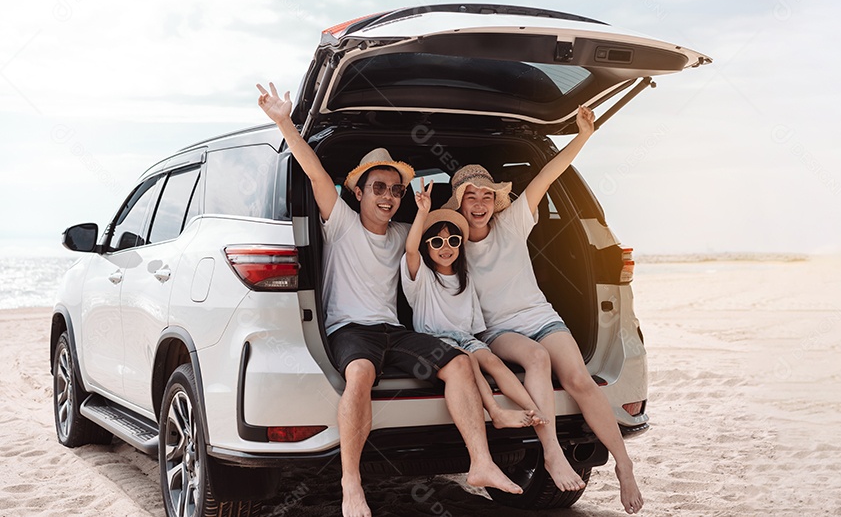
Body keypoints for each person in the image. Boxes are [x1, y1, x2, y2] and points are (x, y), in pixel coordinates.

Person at [256, 82, 521, 517]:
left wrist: (461, 209)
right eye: (379, 188)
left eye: (395, 190)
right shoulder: (340, 223)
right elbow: (317, 174)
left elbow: (446, 233)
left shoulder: (402, 233)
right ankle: (351, 483)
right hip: (350, 330)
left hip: (395, 333)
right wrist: (285, 122)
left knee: (458, 362)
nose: (388, 196)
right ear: (358, 192)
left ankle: (481, 463)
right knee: (359, 373)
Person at [445, 105, 644, 514]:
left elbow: (547, 175)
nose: (479, 203)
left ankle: (624, 464)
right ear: (459, 203)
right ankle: (551, 451)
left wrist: (583, 135)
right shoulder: (449, 238)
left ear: (496, 200)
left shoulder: (514, 221)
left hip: (542, 316)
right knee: (536, 359)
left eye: (487, 195)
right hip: (499, 331)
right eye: (470, 197)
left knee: (580, 380)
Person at [401, 180, 546, 429]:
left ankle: (536, 411)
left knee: (493, 363)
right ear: (427, 246)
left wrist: (485, 348)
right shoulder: (421, 277)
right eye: (437, 242)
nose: (446, 248)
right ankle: (496, 411)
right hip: (435, 340)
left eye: (453, 241)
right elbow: (411, 250)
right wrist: (422, 213)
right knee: (467, 360)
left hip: (465, 337)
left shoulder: (465, 279)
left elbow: (475, 325)